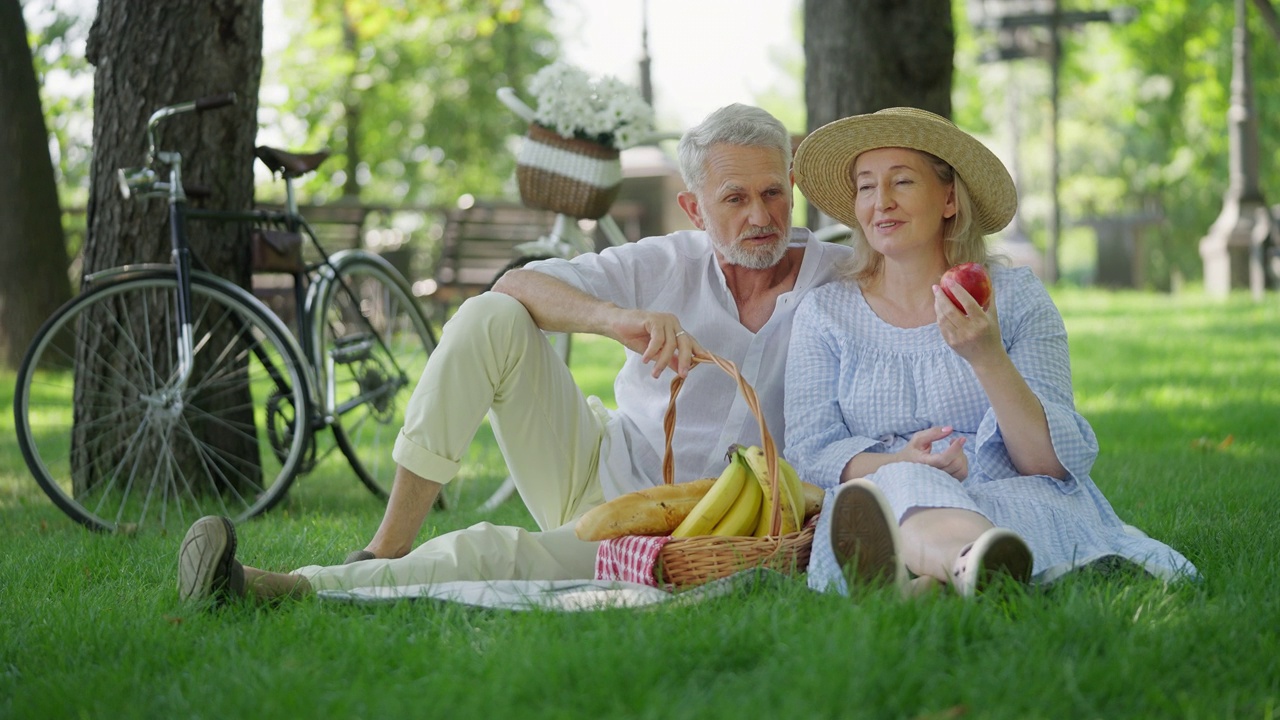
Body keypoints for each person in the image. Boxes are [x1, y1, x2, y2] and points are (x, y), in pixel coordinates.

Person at [178, 103, 855, 605]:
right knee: (491, 316)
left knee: (500, 552)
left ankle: (290, 588)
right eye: (734, 198)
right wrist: (614, 318)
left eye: (773, 192)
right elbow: (516, 284)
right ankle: (389, 541)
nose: (761, 215)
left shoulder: (842, 275)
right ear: (694, 206)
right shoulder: (664, 262)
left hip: (721, 523)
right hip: (603, 474)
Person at [785, 107, 1198, 597]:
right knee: (904, 488)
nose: (882, 203)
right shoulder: (826, 313)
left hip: (1010, 490)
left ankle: (927, 582)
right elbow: (810, 453)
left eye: (903, 182)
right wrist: (901, 460)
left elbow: (1048, 462)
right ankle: (972, 565)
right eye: (867, 187)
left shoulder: (1015, 297)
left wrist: (987, 355)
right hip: (887, 493)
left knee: (1026, 506)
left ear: (949, 199)